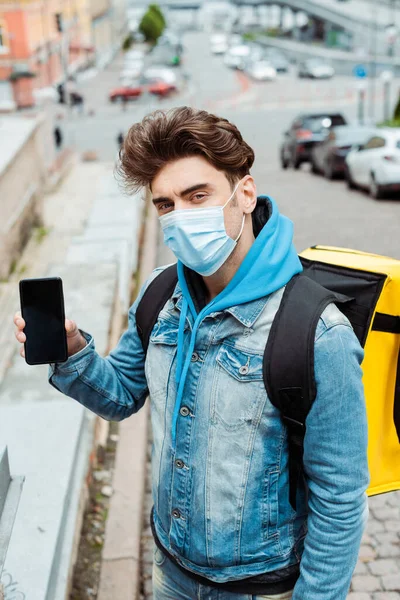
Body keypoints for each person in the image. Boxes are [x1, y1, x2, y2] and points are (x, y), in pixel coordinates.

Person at [14, 107, 369, 600]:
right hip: (172, 573)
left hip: (261, 589)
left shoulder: (317, 332)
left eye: (197, 196)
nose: (181, 217)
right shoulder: (161, 298)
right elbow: (120, 395)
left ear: (244, 194)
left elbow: (341, 497)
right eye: (165, 205)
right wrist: (72, 352)